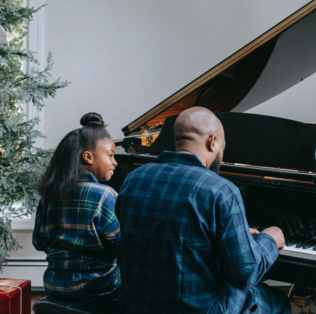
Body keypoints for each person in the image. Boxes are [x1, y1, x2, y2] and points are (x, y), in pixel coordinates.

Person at [116, 107, 290, 313]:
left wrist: (232, 237)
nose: (221, 157)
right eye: (222, 149)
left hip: (136, 305)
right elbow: (245, 275)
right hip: (198, 309)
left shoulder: (133, 179)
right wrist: (269, 239)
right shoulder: (221, 190)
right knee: (276, 300)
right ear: (212, 141)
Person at [32, 112, 121, 303]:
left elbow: (38, 243)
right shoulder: (104, 195)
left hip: (53, 284)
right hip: (98, 287)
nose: (115, 162)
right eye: (111, 155)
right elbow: (120, 245)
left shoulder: (48, 196)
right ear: (88, 157)